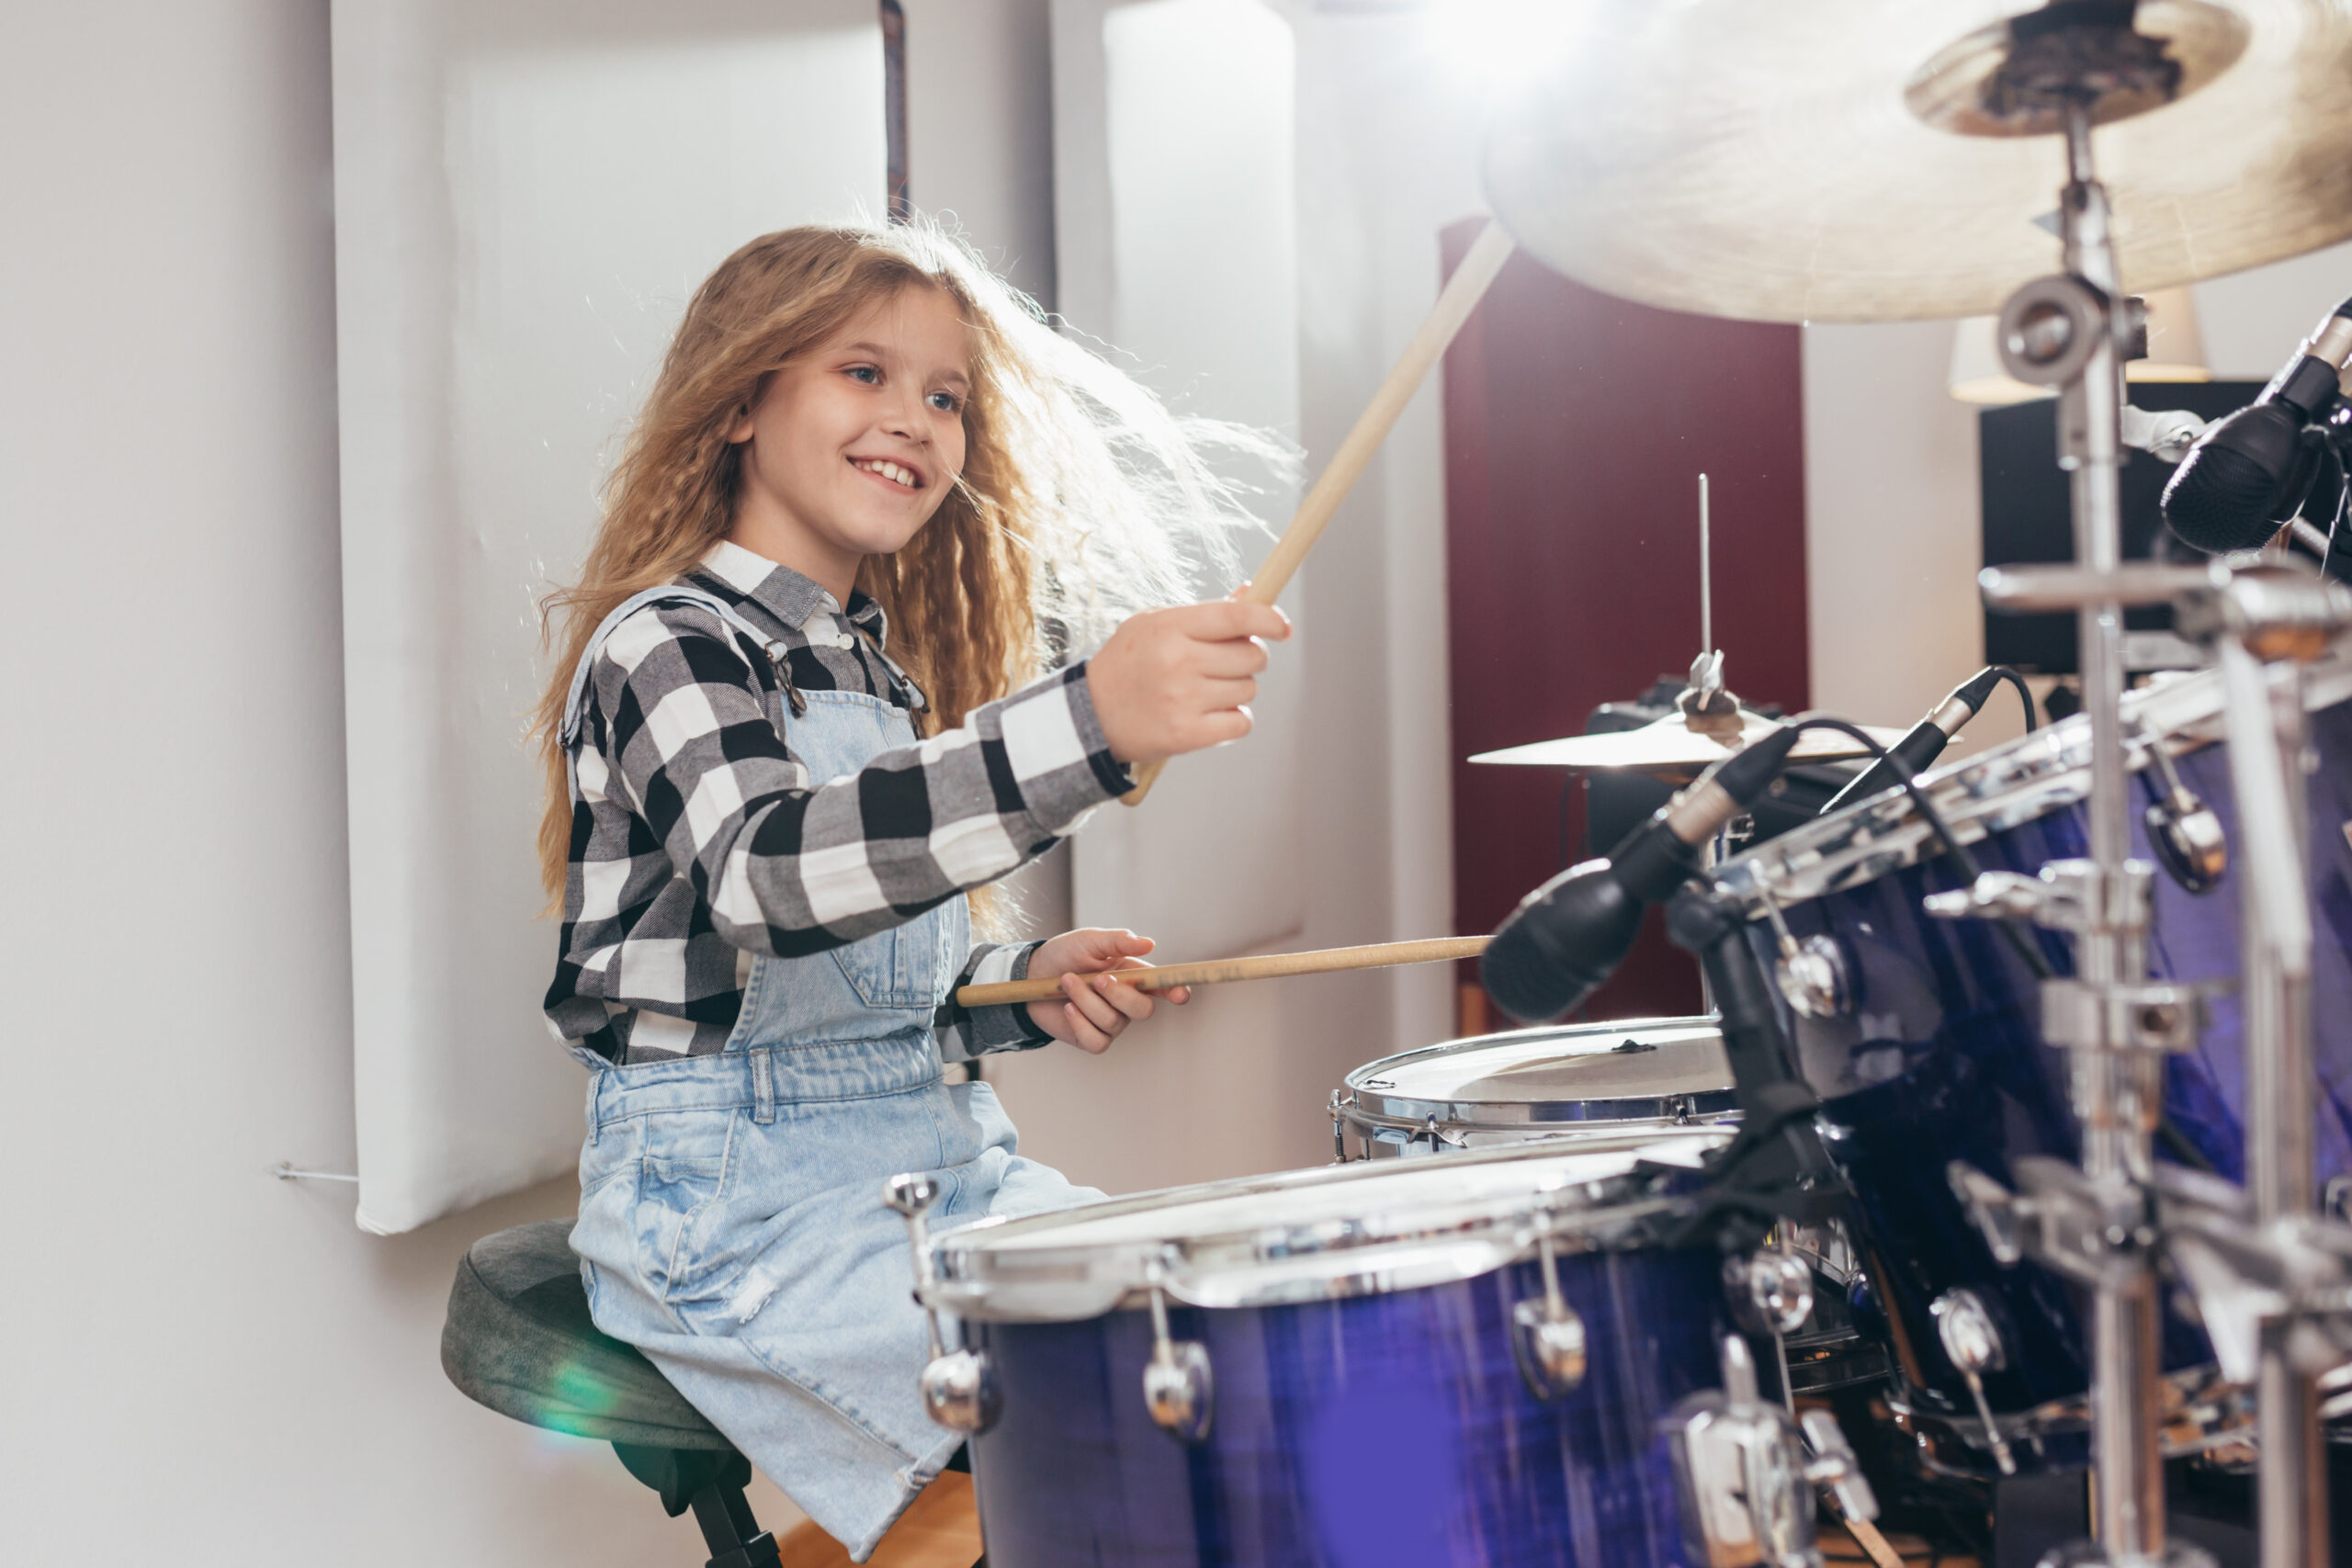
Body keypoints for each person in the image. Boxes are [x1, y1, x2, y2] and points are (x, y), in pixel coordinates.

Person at [531, 220, 1290, 1561]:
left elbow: (862, 1007)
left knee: (1208, 1333)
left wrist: (1012, 994)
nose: (917, 421)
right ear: (742, 401)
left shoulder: (875, 682)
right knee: (1081, 1455)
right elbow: (772, 879)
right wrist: (1092, 722)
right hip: (730, 1207)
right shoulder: (665, 642)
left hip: (932, 1164)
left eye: (946, 397)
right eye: (864, 374)